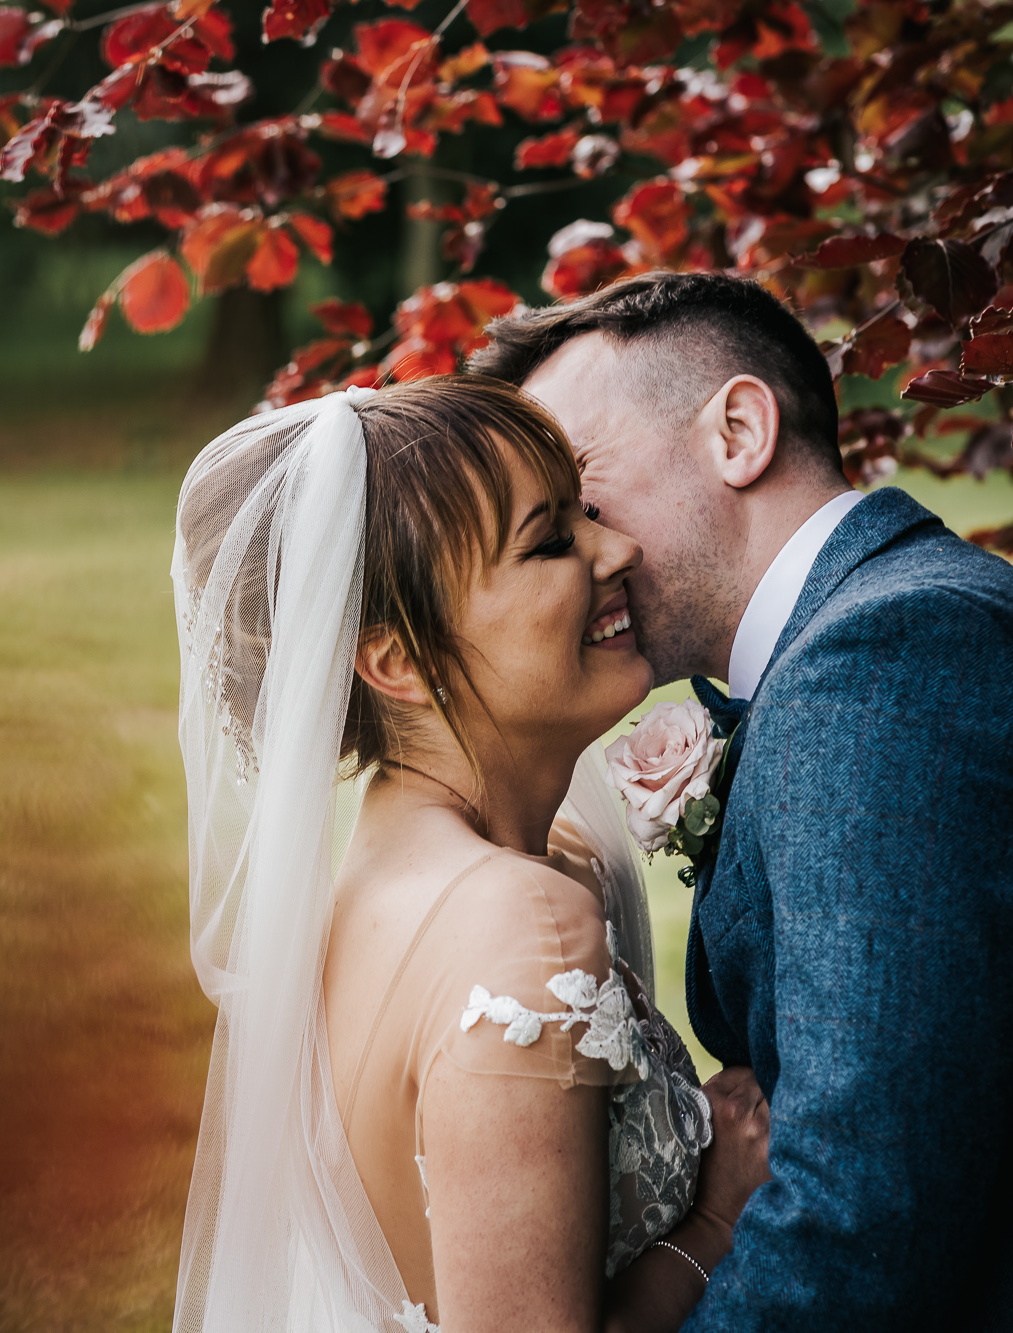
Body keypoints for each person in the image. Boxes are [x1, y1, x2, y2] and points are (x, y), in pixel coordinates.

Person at [472, 270, 1013, 1332]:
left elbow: (860, 1213)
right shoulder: (888, 630)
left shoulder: (883, 660)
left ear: (737, 430)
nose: (580, 542)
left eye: (579, 479)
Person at [169, 376, 770, 1333]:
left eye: (589, 510)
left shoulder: (409, 875)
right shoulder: (519, 927)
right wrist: (714, 1216)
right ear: (395, 659)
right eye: (551, 540)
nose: (619, 550)